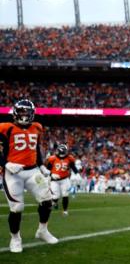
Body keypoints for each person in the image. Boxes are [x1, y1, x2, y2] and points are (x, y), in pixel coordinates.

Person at [0, 99, 58, 253]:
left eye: (27, 112)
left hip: (32, 171)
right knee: (17, 208)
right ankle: (15, 238)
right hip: (13, 173)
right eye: (22, 112)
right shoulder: (5, 128)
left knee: (47, 201)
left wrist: (42, 165)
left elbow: (36, 149)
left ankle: (42, 230)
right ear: (15, 113)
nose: (24, 116)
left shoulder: (37, 127)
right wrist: (5, 163)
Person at [44, 143, 79, 216]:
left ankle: (65, 211)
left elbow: (73, 167)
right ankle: (54, 203)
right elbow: (47, 170)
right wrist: (51, 175)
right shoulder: (52, 158)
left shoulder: (69, 158)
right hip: (54, 180)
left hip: (64, 179)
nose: (62, 155)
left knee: (65, 194)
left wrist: (77, 173)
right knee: (56, 196)